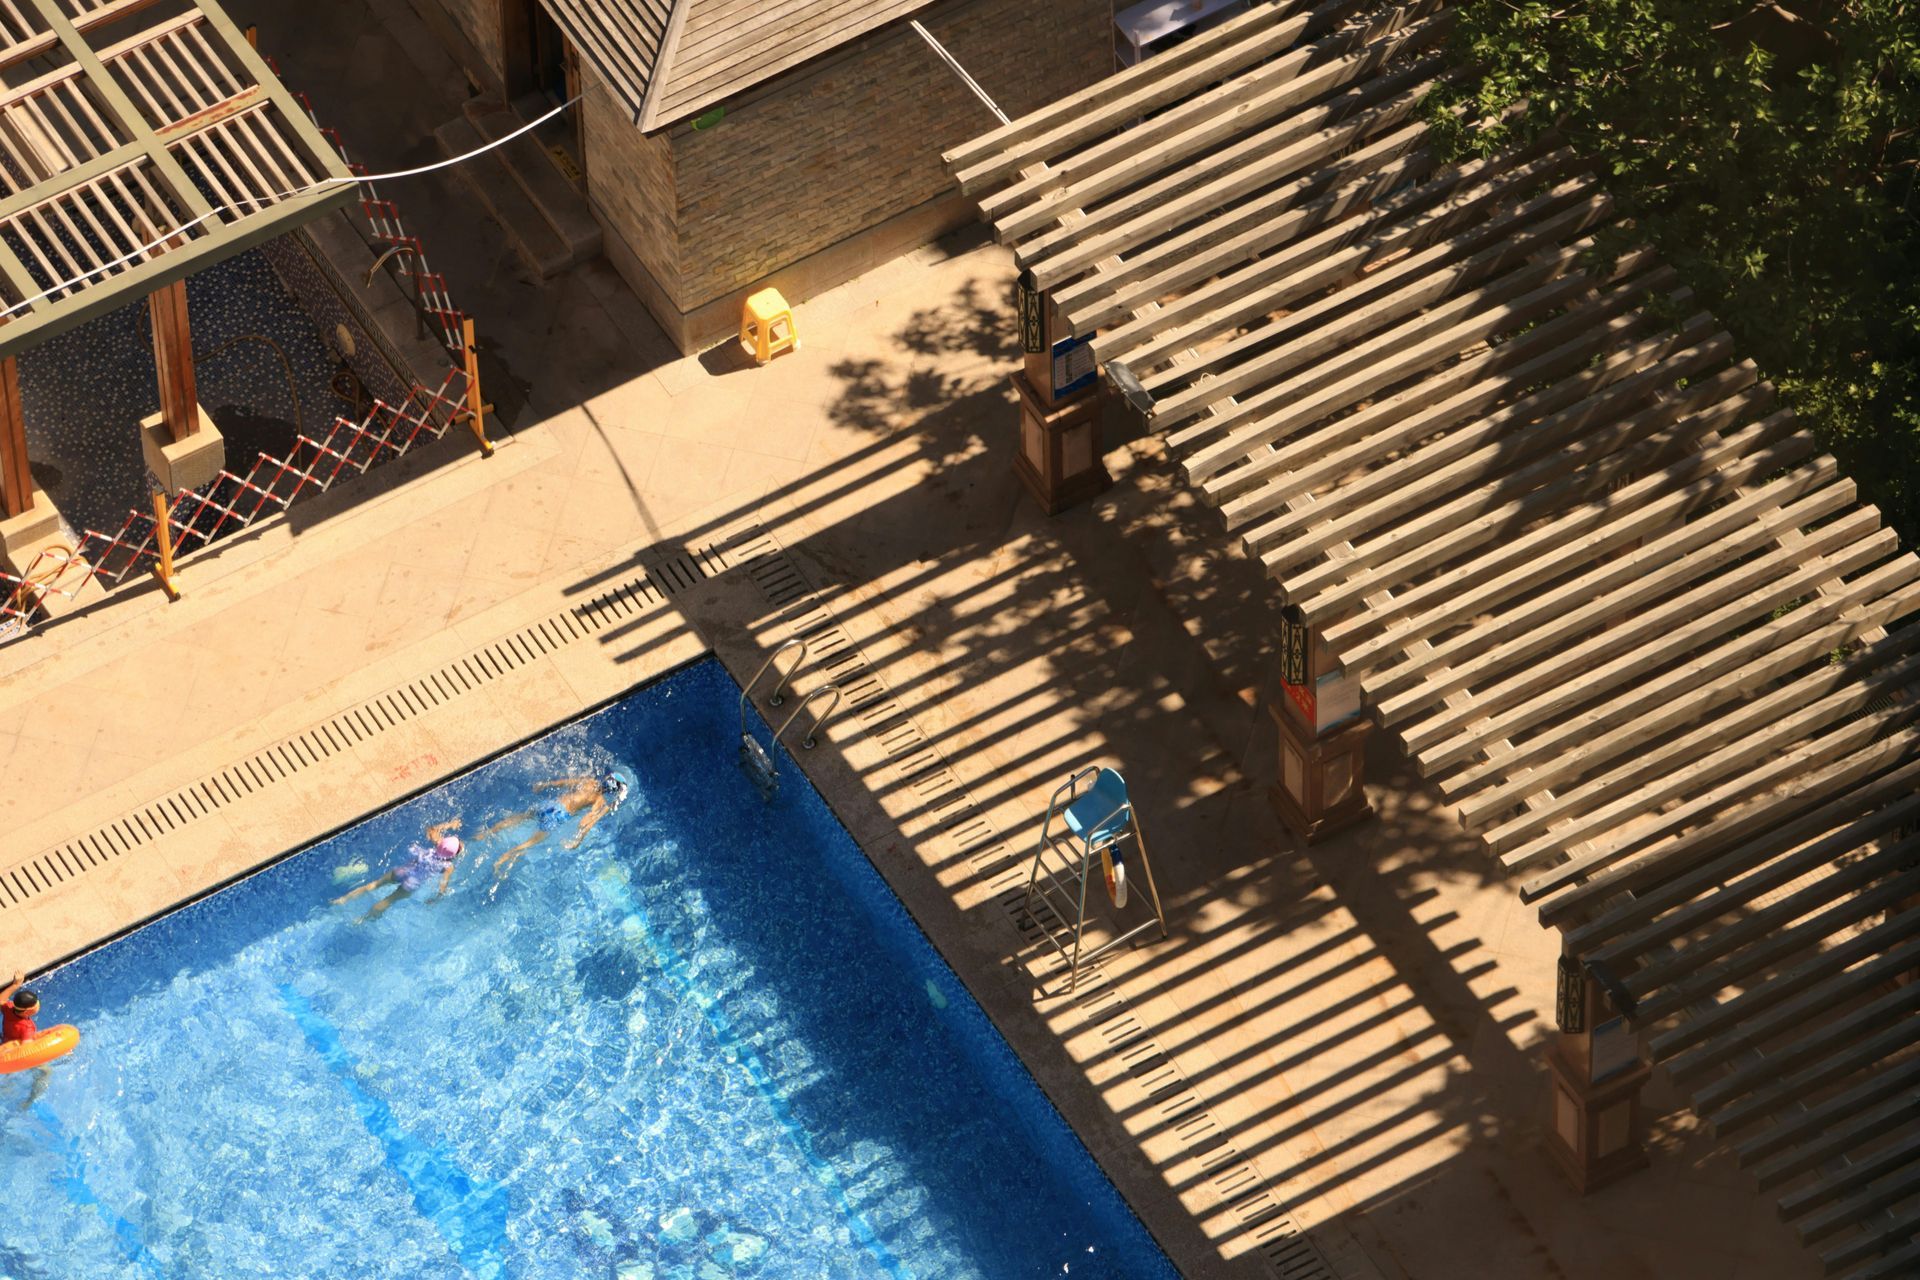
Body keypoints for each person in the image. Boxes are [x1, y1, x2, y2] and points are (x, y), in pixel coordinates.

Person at [481, 771, 628, 876]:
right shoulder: (600, 802)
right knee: (529, 843)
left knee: (520, 817)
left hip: (551, 804)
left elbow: (563, 783)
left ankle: (486, 833)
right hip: (558, 816)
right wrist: (577, 841)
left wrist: (545, 785)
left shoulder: (589, 781)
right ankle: (504, 858)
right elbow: (586, 824)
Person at [333, 818, 465, 922]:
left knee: (373, 885)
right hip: (412, 883)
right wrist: (435, 899)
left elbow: (431, 829)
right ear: (453, 855)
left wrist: (450, 824)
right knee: (388, 900)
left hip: (404, 870)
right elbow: (442, 887)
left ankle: (342, 900)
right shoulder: (448, 866)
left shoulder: (437, 843)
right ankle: (361, 920)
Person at [2, 972, 50, 1104]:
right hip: (15, 1054)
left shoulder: (9, 1009)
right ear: (27, 1011)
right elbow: (28, 1050)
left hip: (5, 1043)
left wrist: (16, 985)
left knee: (7, 1076)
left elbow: (1, 1000)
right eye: (36, 1005)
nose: (38, 1005)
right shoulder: (27, 1027)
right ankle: (31, 1100)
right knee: (46, 1072)